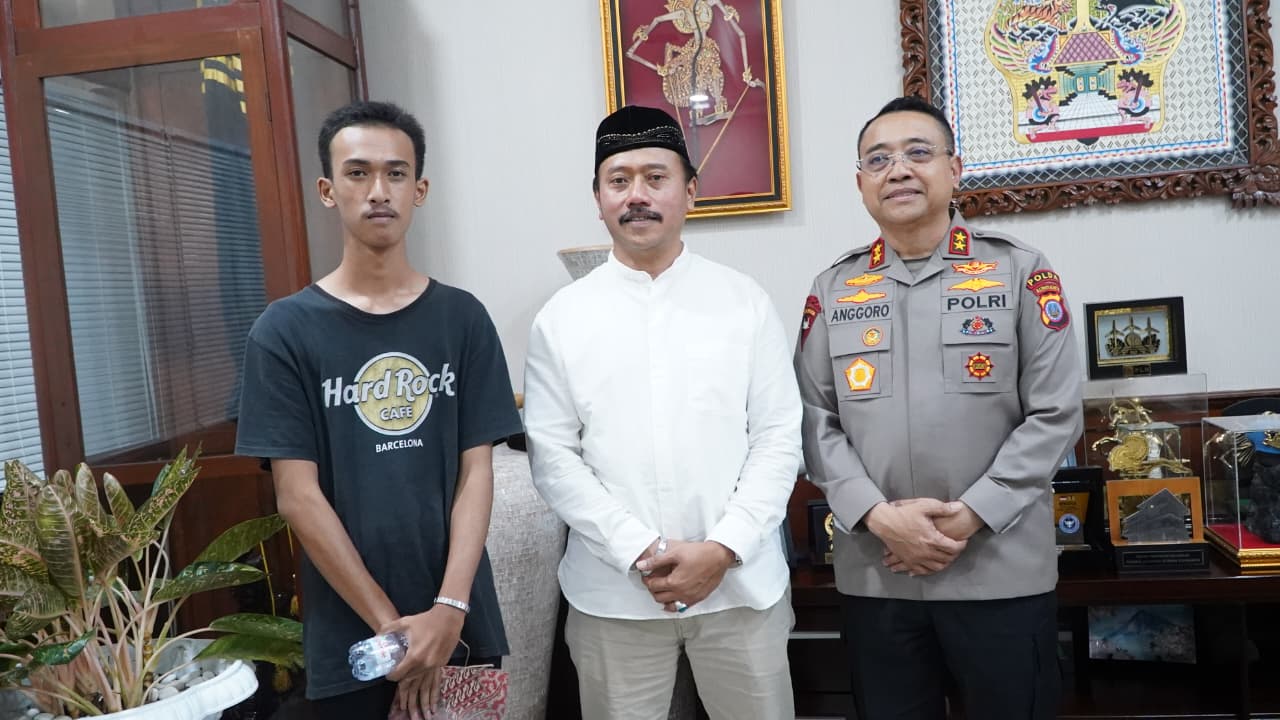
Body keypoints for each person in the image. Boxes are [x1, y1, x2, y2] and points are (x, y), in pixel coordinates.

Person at [794, 95, 1082, 720]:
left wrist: (972, 515)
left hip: (999, 572)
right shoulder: (834, 289)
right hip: (880, 573)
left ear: (954, 170)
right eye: (878, 160)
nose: (898, 170)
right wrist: (878, 516)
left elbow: (1056, 414)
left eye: (918, 153)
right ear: (861, 184)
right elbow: (814, 418)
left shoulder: (1019, 272)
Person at [235, 100, 521, 720]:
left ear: (419, 190)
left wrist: (448, 611)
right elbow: (298, 496)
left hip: (462, 629)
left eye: (396, 173)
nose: (378, 191)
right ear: (327, 190)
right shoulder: (283, 332)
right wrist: (395, 633)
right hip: (355, 642)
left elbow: (476, 473)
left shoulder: (463, 319)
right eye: (358, 173)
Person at [524, 105, 802, 720]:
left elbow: (779, 438)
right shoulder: (562, 319)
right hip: (615, 595)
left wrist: (723, 548)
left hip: (740, 589)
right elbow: (553, 457)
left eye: (656, 178)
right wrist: (639, 548)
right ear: (598, 199)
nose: (637, 196)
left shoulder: (744, 302)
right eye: (618, 180)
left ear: (690, 192)